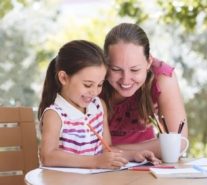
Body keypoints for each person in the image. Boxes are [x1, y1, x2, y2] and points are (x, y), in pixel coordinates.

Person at [38, 40, 160, 169]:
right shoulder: (55, 114)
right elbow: (48, 156)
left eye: (100, 84)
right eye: (88, 85)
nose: (95, 92)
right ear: (63, 78)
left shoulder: (98, 106)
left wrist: (133, 155)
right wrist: (95, 162)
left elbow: (105, 149)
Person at [102, 23, 188, 158]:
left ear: (149, 62)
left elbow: (178, 143)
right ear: (105, 64)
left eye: (135, 70)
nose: (125, 80)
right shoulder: (92, 76)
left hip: (145, 161)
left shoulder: (162, 77)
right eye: (116, 69)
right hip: (98, 163)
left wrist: (114, 150)